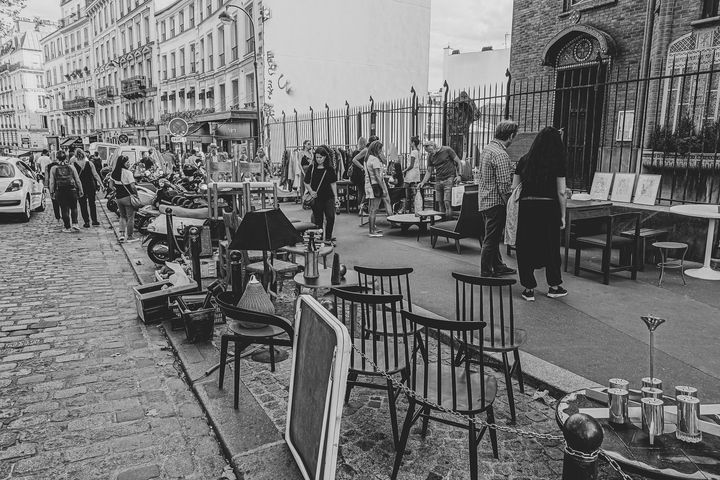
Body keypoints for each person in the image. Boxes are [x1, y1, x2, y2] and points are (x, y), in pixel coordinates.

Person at [512, 127, 568, 301]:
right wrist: (563, 215)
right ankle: (554, 286)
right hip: (548, 208)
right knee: (551, 247)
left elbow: (514, 188)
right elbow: (561, 192)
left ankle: (528, 288)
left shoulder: (524, 160)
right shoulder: (558, 161)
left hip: (527, 207)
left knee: (526, 246)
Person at [478, 120, 519, 278]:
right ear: (510, 136)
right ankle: (486, 271)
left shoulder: (488, 149)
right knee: (491, 239)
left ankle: (498, 265)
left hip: (485, 200)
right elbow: (504, 186)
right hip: (496, 202)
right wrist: (510, 205)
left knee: (492, 237)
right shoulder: (500, 154)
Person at [418, 140, 462, 219]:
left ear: (434, 146)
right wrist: (423, 182)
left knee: (447, 203)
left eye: (430, 151)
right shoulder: (430, 156)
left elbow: (459, 162)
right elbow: (429, 171)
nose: (429, 153)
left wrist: (459, 175)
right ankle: (442, 224)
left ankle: (448, 224)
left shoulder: (447, 150)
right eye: (428, 152)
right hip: (438, 180)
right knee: (440, 203)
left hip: (449, 178)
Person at [303, 145, 339, 242]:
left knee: (330, 217)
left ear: (325, 157)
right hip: (317, 198)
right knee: (318, 220)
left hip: (329, 197)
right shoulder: (312, 168)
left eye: (321, 157)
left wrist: (336, 197)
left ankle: (328, 238)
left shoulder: (330, 169)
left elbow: (333, 183)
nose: (318, 159)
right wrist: (311, 191)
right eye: (317, 157)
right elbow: (306, 181)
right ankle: (319, 238)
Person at [49, 150, 84, 233]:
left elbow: (52, 182)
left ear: (56, 158)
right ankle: (75, 224)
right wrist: (81, 189)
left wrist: (51, 192)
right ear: (66, 157)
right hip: (72, 190)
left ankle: (67, 227)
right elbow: (77, 180)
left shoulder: (54, 168)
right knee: (74, 207)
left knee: (64, 209)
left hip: (60, 191)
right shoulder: (71, 167)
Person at [364, 140, 390, 237]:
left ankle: (372, 228)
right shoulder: (375, 159)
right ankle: (372, 232)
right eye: (380, 149)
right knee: (374, 209)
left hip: (368, 185)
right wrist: (383, 188)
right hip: (375, 186)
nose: (381, 151)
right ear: (377, 149)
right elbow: (378, 176)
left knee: (371, 209)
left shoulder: (368, 158)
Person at [111, 155, 139, 243]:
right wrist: (136, 194)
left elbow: (111, 186)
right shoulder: (128, 173)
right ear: (123, 163)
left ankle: (122, 235)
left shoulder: (114, 173)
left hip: (118, 198)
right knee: (130, 217)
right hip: (127, 198)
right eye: (127, 162)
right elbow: (133, 186)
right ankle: (130, 236)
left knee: (122, 216)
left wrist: (116, 189)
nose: (129, 164)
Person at [72, 150, 103, 227]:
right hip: (90, 185)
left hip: (80, 186)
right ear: (84, 155)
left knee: (83, 204)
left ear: (75, 156)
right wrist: (101, 184)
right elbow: (95, 175)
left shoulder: (73, 165)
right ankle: (94, 220)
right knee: (92, 203)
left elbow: (73, 177)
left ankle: (86, 222)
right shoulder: (90, 163)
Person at [403, 136, 421, 212]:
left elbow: (411, 165)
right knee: (414, 193)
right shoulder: (418, 151)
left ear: (413, 143)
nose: (409, 143)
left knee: (407, 194)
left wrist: (404, 171)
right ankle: (414, 209)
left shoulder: (413, 152)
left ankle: (407, 209)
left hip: (410, 175)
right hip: (416, 174)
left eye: (410, 142)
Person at [45, 152, 62, 225]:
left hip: (52, 185)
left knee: (55, 203)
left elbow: (46, 178)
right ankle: (65, 217)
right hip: (61, 184)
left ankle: (58, 218)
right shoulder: (61, 165)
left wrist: (46, 186)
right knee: (63, 202)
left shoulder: (48, 166)